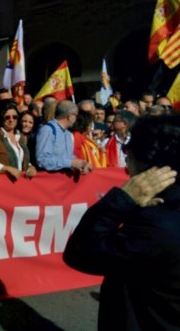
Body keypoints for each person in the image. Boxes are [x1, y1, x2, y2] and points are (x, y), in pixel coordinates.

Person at [63, 115, 180, 330]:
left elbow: (79, 253)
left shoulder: (154, 226)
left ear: (147, 164)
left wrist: (120, 201)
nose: (126, 159)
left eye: (130, 150)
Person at [35, 100, 91, 174]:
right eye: (75, 115)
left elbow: (69, 158)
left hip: (65, 182)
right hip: (52, 182)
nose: (76, 119)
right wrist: (70, 163)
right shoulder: (48, 130)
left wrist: (81, 164)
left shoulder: (68, 134)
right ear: (70, 116)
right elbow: (42, 160)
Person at [0, 103, 37, 181]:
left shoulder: (20, 137)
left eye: (15, 117)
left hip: (22, 185)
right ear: (1, 118)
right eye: (7, 117)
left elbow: (20, 159)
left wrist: (31, 167)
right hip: (3, 185)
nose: (11, 120)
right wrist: (6, 169)